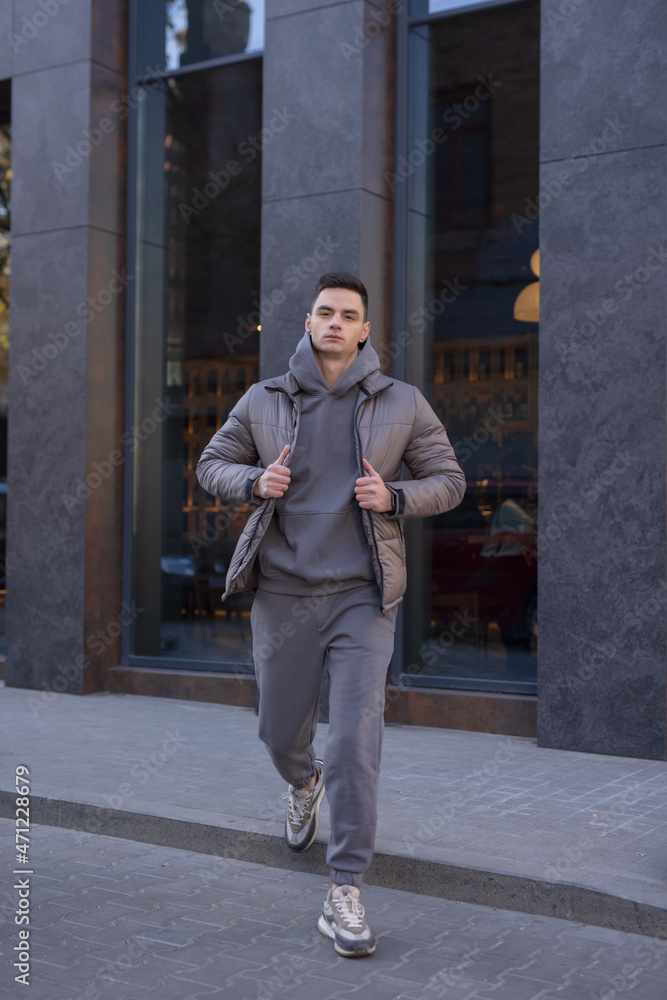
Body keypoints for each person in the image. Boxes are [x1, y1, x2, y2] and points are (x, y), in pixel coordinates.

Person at [197, 272, 465, 958]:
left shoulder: (400, 403)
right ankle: (301, 781)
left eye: (350, 315)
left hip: (361, 598)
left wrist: (395, 496)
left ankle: (344, 887)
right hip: (282, 594)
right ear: (309, 322)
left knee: (355, 738)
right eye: (326, 312)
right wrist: (255, 481)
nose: (336, 323)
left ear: (366, 329)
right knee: (277, 730)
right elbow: (210, 464)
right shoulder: (264, 400)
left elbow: (450, 480)